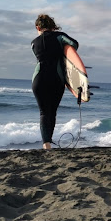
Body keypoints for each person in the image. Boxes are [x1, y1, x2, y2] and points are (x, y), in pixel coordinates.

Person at [31, 14, 79, 150]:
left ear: (37, 27)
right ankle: (48, 142)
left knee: (43, 112)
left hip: (38, 80)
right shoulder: (59, 36)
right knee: (52, 112)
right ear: (52, 26)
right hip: (56, 79)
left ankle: (46, 143)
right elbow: (74, 44)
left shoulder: (33, 43)